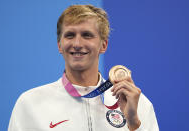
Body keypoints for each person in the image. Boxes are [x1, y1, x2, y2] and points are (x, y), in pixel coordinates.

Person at [8, 4, 159, 131]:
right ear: (59, 45)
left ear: (103, 45)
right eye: (70, 35)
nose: (78, 44)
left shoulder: (138, 104)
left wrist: (133, 123)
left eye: (87, 35)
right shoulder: (30, 104)